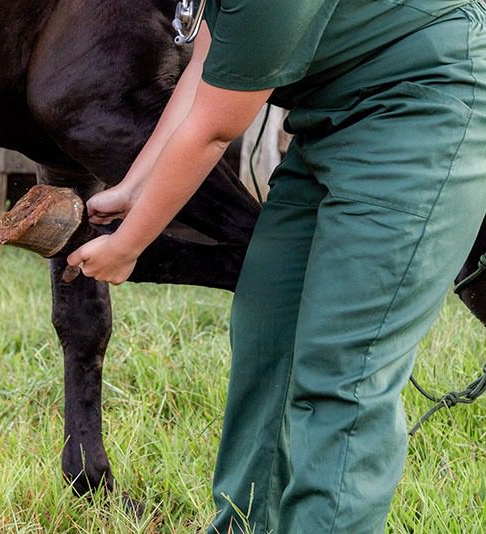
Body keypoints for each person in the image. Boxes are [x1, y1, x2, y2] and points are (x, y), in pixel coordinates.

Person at [66, 1, 486, 532]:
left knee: (343, 369)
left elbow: (213, 130)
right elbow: (207, 68)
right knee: (268, 339)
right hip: (329, 118)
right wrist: (133, 187)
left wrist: (127, 245)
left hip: (421, 110)